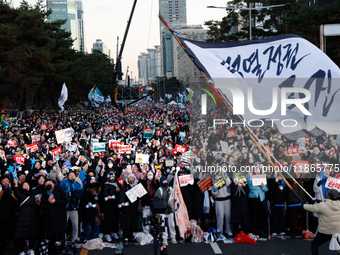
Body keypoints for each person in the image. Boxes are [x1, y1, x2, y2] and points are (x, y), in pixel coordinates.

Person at [303, 189, 340, 255]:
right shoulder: (339, 203)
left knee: (314, 245)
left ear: (328, 196)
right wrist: (319, 201)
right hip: (336, 230)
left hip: (325, 232)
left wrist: (303, 205)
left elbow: (311, 208)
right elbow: (329, 204)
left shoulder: (322, 205)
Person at [40, 178, 68, 255]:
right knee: (51, 240)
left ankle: (61, 250)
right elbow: (42, 206)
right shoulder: (44, 194)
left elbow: (65, 201)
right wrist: (48, 202)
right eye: (46, 184)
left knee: (60, 239)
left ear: (54, 184)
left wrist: (55, 201)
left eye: (50, 183)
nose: (48, 185)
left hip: (60, 218)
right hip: (49, 220)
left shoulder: (60, 191)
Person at [12, 179, 38, 255]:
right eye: (24, 185)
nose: (26, 187)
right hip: (23, 215)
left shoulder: (33, 194)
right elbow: (16, 192)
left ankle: (31, 249)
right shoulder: (20, 194)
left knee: (32, 234)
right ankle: (21, 250)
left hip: (32, 215)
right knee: (22, 235)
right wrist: (16, 184)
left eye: (27, 185)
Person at [60, 169, 84, 242]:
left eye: (73, 175)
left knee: (75, 225)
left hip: (74, 207)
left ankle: (75, 237)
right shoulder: (64, 183)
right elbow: (60, 192)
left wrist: (75, 193)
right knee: (64, 224)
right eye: (70, 175)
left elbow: (81, 194)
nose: (72, 176)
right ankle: (63, 237)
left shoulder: (77, 184)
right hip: (65, 207)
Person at [154, 176, 177, 246]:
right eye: (163, 182)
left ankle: (173, 237)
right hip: (162, 210)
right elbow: (157, 198)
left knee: (172, 224)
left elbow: (174, 196)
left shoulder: (170, 189)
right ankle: (164, 239)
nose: (165, 183)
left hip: (170, 210)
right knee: (163, 226)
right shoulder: (159, 190)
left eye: (166, 181)